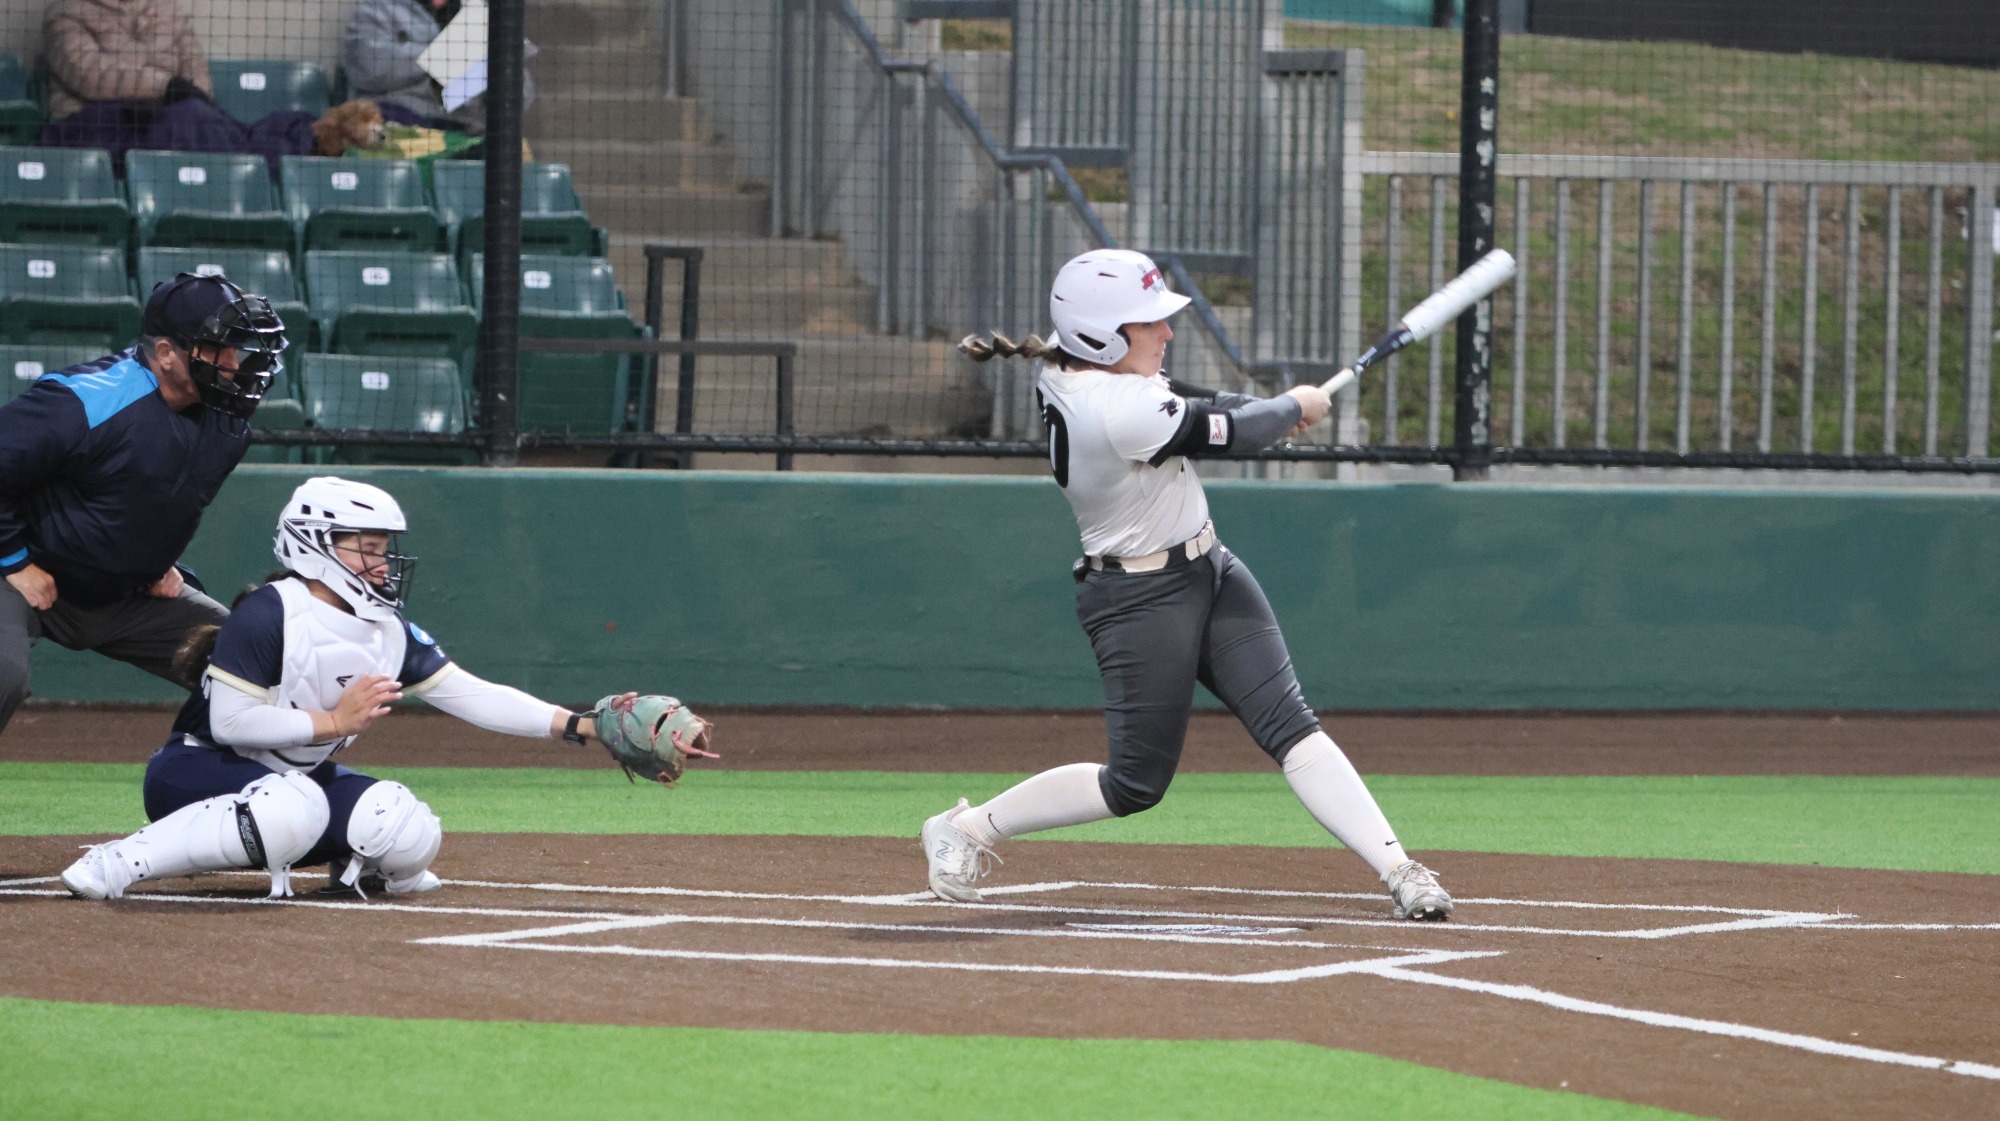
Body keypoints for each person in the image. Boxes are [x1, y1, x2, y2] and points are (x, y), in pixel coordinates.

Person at [923, 249, 1452, 921]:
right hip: (1138, 602)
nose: (1167, 333)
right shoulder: (1111, 407)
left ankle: (1400, 869)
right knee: (1135, 783)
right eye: (1149, 324)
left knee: (1291, 724)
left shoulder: (1075, 362)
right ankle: (967, 829)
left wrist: (1281, 409)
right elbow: (1227, 432)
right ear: (1102, 337)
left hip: (1210, 570)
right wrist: (1290, 406)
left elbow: (1204, 406)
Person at [59, 476, 714, 901]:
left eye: (384, 547)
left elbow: (471, 693)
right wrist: (329, 721)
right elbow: (231, 725)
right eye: (365, 546)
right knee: (296, 807)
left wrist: (581, 726)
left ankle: (347, 870)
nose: (381, 561)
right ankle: (116, 863)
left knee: (405, 830)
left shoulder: (384, 628)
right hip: (193, 771)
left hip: (290, 783)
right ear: (316, 544)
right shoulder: (269, 612)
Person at [0, 273, 287, 736]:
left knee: (263, 667)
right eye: (218, 349)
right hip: (23, 576)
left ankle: (230, 793)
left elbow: (160, 496)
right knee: (2, 674)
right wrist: (13, 560)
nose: (234, 364)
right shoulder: (85, 399)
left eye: (239, 348)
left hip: (124, 598)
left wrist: (154, 559)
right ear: (167, 353)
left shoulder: (228, 424)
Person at [339, 0, 535, 136]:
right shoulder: (377, 8)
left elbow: (521, 95)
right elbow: (368, 67)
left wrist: (495, 71)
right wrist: (444, 57)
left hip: (466, 130)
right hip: (398, 124)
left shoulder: (480, 12)